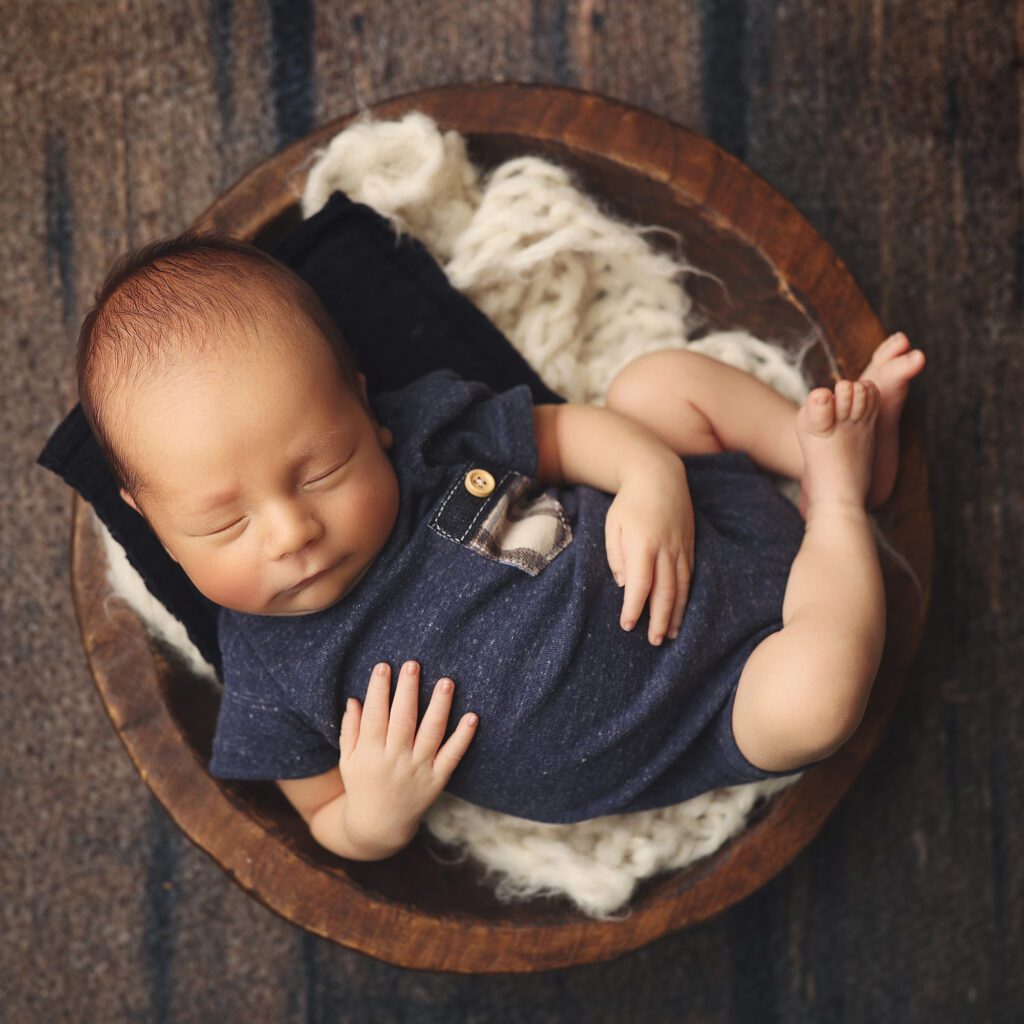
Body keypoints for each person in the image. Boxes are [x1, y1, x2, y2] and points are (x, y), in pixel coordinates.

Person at [76, 231, 924, 860]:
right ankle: (841, 503)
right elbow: (327, 820)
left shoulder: (423, 438)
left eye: (325, 468)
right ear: (149, 519)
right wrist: (376, 812)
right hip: (716, 703)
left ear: (365, 413)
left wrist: (651, 476)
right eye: (225, 523)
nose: (293, 532)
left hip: (702, 516)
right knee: (817, 705)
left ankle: (812, 450)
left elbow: (560, 437)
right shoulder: (267, 671)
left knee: (651, 386)